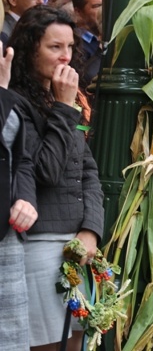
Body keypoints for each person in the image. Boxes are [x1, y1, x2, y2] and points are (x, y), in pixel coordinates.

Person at [9, 5, 104, 351]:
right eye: (54, 47)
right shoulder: (16, 102)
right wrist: (64, 108)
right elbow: (44, 172)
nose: (65, 57)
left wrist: (91, 232)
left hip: (78, 246)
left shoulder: (61, 97)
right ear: (30, 47)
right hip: (40, 245)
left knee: (79, 344)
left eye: (69, 48)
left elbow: (87, 170)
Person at [0, 39, 39, 351]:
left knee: (10, 338)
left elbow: (20, 158)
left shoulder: (10, 98)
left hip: (7, 237)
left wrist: (25, 197)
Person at [71, 0, 103, 94]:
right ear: (78, 11)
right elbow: (85, 80)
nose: (104, 10)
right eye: (97, 6)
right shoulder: (72, 42)